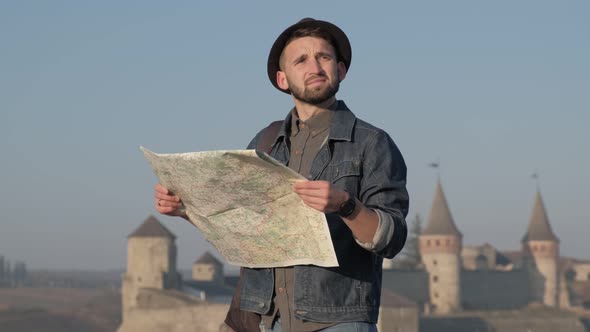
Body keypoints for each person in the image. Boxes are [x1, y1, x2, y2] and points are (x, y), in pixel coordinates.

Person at [154, 18, 409, 332]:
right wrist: (186, 210)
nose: (314, 66)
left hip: (337, 322)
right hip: (265, 321)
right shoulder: (264, 144)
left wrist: (346, 205)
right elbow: (241, 227)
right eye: (300, 60)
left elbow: (392, 238)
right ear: (283, 78)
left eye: (324, 57)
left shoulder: (372, 143)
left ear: (340, 71)